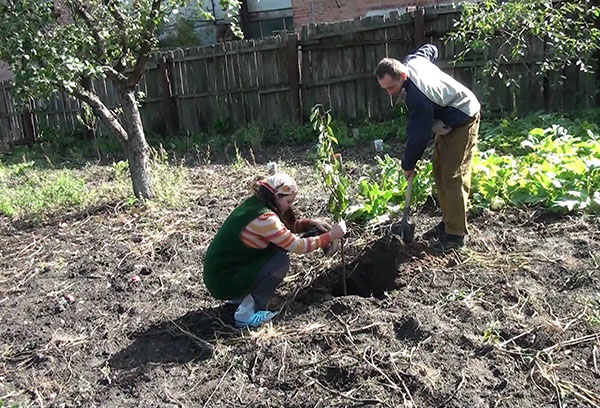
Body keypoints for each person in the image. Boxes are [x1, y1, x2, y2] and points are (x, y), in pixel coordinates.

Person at [203, 173, 347, 328]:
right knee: (279, 261)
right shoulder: (265, 219)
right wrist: (331, 236)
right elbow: (297, 246)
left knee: (277, 251)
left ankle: (241, 297)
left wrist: (311, 223)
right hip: (223, 280)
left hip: (223, 272)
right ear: (276, 197)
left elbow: (288, 227)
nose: (290, 206)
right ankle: (246, 314)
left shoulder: (256, 205)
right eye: (288, 201)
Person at [375, 44, 481, 251]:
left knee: (452, 174)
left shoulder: (418, 98)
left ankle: (455, 235)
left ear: (402, 76)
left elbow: (419, 134)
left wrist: (408, 164)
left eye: (391, 87)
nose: (390, 93)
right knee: (439, 171)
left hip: (464, 116)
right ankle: (449, 221)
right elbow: (430, 49)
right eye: (385, 88)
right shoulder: (412, 61)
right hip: (447, 118)